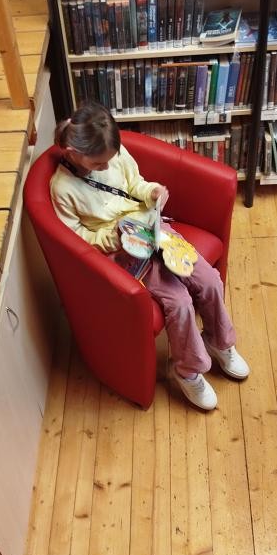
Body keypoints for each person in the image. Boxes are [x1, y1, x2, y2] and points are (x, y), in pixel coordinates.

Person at [50, 103, 249, 411]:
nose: (106, 166)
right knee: (178, 302)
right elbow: (77, 240)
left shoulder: (115, 155)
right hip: (124, 253)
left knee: (208, 279)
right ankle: (189, 370)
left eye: (109, 160)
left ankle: (219, 341)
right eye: (98, 163)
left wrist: (152, 192)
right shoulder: (62, 189)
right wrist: (113, 237)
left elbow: (135, 184)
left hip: (153, 227)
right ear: (73, 152)